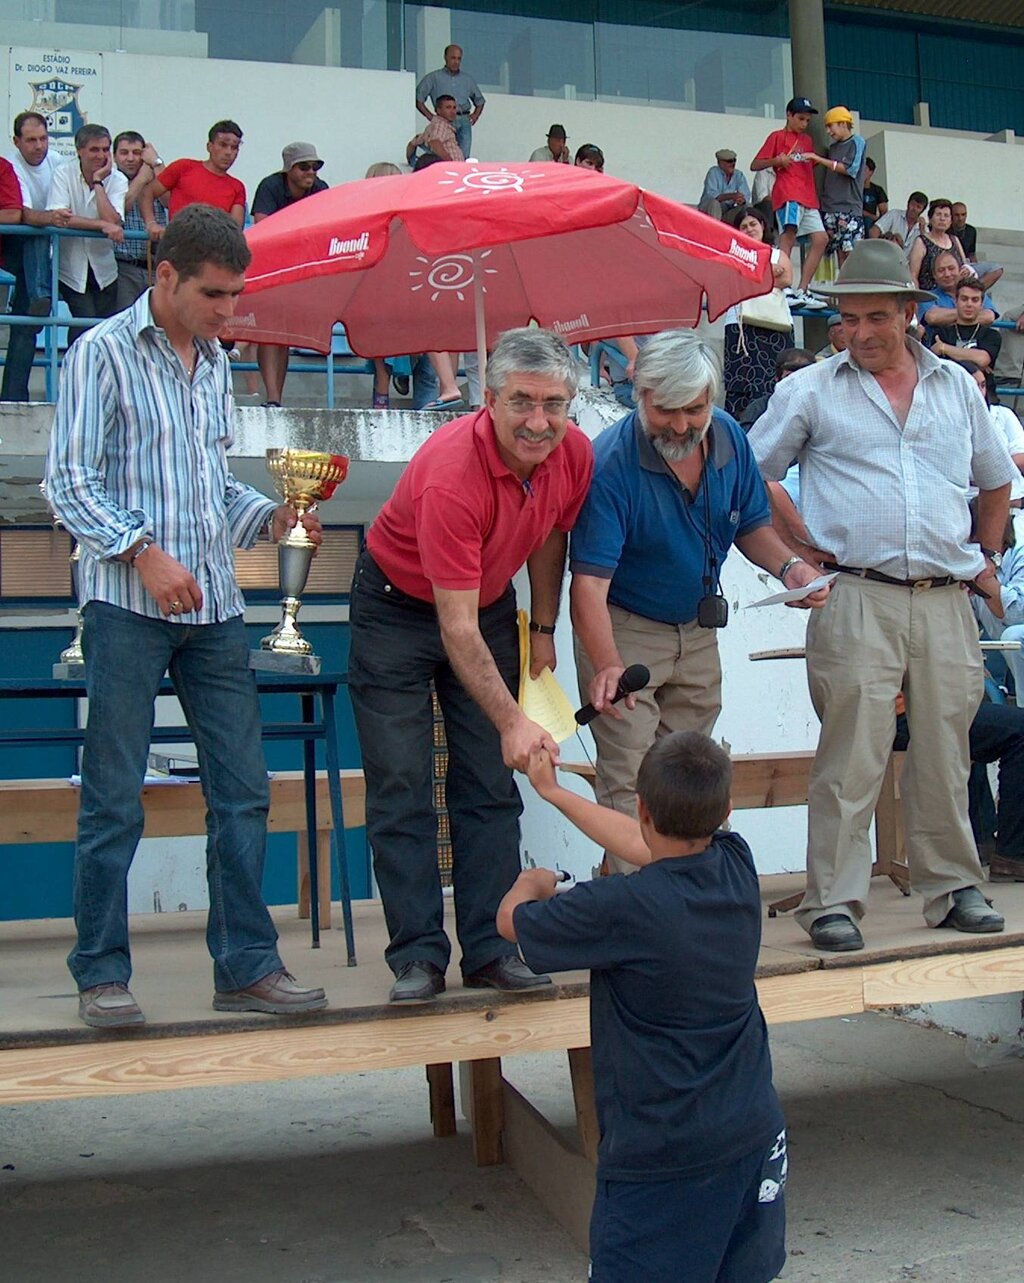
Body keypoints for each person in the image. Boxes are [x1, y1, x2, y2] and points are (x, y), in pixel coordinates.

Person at [42, 204, 328, 1028]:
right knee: (112, 796)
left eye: (237, 296)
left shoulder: (213, 366)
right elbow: (68, 483)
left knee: (243, 790)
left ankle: (244, 965)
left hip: (215, 606)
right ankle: (100, 971)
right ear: (164, 275)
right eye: (216, 295)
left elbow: (211, 487)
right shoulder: (98, 354)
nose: (230, 313)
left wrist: (273, 517)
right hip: (128, 603)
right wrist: (142, 552)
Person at [748, 238, 1015, 952]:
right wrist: (798, 548)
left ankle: (953, 886)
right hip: (856, 595)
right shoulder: (808, 389)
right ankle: (833, 900)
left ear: (907, 312)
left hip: (944, 597)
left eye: (875, 317)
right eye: (847, 319)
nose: (860, 332)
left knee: (945, 752)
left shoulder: (958, 388)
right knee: (851, 755)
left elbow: (996, 480)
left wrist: (985, 556)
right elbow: (749, 474)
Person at [347, 328, 594, 1003]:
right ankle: (418, 955)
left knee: (489, 782)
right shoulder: (452, 471)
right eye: (522, 402)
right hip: (397, 608)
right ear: (488, 399)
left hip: (485, 602)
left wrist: (543, 626)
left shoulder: (573, 452)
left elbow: (550, 532)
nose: (539, 421)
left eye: (554, 404)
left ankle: (490, 947)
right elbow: (452, 628)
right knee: (401, 783)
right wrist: (514, 719)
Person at [500, 733, 787, 1283]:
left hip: (662, 1162)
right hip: (752, 1136)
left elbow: (512, 925)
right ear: (725, 812)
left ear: (642, 805)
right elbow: (642, 843)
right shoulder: (737, 863)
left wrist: (528, 882)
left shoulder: (621, 907)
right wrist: (554, 794)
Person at [569, 331, 828, 875]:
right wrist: (609, 663)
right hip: (624, 627)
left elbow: (753, 524)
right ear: (639, 395)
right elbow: (588, 586)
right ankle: (642, 911)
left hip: (697, 629)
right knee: (629, 776)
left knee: (693, 773)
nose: (683, 425)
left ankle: (691, 898)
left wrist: (791, 567)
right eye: (667, 410)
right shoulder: (611, 464)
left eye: (695, 409)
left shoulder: (730, 435)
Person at [251, 142, 329, 408]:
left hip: (304, 269)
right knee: (270, 331)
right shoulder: (270, 186)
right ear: (288, 169)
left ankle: (275, 398)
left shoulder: (321, 189)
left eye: (315, 166)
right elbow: (263, 229)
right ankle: (273, 397)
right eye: (304, 166)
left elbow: (328, 230)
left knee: (282, 334)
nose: (311, 172)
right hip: (271, 266)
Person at [2, 112, 71, 401]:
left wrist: (50, 218)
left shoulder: (58, 161)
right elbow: (23, 215)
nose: (39, 146)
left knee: (27, 326)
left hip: (56, 254)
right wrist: (49, 218)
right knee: (36, 232)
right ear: (16, 141)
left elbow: (68, 206)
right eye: (31, 140)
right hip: (20, 250)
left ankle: (14, 395)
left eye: (43, 138)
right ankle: (40, 296)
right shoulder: (11, 165)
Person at [47, 124, 127, 346]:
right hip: (71, 268)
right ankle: (72, 373)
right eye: (94, 150)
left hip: (105, 269)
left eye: (105, 149)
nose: (101, 155)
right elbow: (60, 217)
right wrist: (100, 225)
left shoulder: (117, 179)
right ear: (79, 150)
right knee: (85, 324)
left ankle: (94, 378)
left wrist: (99, 182)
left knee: (103, 330)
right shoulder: (63, 173)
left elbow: (113, 221)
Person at [751, 97, 828, 311]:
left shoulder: (808, 142)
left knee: (821, 239)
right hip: (788, 194)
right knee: (788, 236)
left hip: (808, 196)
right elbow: (755, 164)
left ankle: (803, 289)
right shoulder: (776, 136)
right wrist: (777, 161)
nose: (804, 124)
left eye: (807, 120)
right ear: (789, 115)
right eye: (801, 118)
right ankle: (785, 287)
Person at [721, 205, 793, 419]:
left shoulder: (778, 253)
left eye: (753, 224)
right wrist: (768, 272)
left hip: (775, 323)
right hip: (740, 324)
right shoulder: (732, 253)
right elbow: (732, 281)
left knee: (776, 381)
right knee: (740, 384)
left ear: (762, 225)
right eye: (743, 226)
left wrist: (752, 273)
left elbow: (786, 279)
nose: (749, 229)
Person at [140, 120, 246, 233]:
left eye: (234, 147)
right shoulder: (183, 167)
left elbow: (235, 231)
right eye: (223, 145)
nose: (228, 152)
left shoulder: (237, 187)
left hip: (214, 247)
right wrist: (151, 224)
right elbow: (147, 193)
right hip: (178, 244)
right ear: (209, 146)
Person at [112, 130, 167, 311]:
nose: (130, 158)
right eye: (124, 153)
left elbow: (171, 201)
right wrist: (141, 180)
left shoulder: (154, 176)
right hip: (125, 267)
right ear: (114, 156)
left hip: (156, 266)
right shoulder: (109, 180)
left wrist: (157, 163)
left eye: (136, 153)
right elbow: (120, 209)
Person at [416, 45, 484, 159]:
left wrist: (475, 116)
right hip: (443, 122)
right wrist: (430, 116)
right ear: (445, 58)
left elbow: (480, 101)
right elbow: (418, 99)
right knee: (440, 154)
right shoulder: (433, 77)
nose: (456, 61)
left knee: (463, 157)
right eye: (453, 58)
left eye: (459, 58)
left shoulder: (467, 79)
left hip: (464, 121)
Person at [818, 106, 866, 266]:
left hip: (849, 207)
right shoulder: (832, 148)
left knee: (851, 255)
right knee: (837, 255)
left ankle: (853, 289)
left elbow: (850, 169)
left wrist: (818, 159)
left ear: (843, 123)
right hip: (829, 207)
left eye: (830, 126)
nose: (828, 131)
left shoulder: (857, 142)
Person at [916, 249, 998, 340]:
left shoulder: (974, 292)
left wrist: (946, 319)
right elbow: (932, 317)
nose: (947, 274)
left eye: (951, 268)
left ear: (960, 269)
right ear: (934, 275)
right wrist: (970, 314)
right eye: (941, 270)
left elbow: (989, 317)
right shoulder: (927, 297)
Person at [930, 278, 1001, 374]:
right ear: (956, 301)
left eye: (975, 300)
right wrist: (972, 358)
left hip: (980, 387)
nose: (969, 304)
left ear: (981, 304)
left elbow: (982, 359)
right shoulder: (942, 333)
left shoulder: (991, 335)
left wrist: (944, 348)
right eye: (964, 299)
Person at [738, 346, 817, 431]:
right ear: (777, 379)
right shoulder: (759, 408)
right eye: (790, 378)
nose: (798, 383)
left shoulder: (822, 406)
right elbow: (746, 441)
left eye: (804, 377)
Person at [909, 197, 971, 294]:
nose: (942, 219)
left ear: (950, 221)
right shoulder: (921, 241)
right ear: (930, 219)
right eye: (938, 214)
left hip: (956, 293)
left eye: (946, 216)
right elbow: (913, 275)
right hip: (930, 296)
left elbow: (965, 266)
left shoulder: (954, 240)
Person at [951, 200, 1002, 292]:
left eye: (963, 214)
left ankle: (975, 290)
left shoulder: (971, 230)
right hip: (952, 265)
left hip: (967, 264)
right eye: (957, 215)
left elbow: (972, 254)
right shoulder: (947, 229)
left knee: (996, 269)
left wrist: (975, 270)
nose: (960, 218)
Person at [405, 95, 464, 165]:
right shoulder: (440, 125)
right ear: (438, 110)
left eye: (454, 108)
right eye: (448, 107)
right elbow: (434, 142)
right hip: (449, 169)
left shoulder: (434, 125)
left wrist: (411, 161)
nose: (453, 111)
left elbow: (412, 143)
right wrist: (450, 162)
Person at [698, 147, 750, 220]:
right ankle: (714, 229)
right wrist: (732, 196)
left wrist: (741, 200)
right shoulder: (713, 172)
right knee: (715, 204)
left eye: (734, 160)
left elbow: (745, 195)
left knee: (746, 207)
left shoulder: (739, 175)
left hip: (728, 210)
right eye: (729, 161)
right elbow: (713, 195)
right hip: (709, 210)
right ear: (720, 162)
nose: (733, 163)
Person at [870, 190, 927, 256]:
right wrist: (879, 251)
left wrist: (922, 230)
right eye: (912, 204)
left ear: (922, 210)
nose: (914, 209)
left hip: (910, 264)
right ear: (908, 204)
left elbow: (927, 249)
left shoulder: (923, 227)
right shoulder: (894, 214)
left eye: (918, 207)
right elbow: (873, 231)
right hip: (888, 258)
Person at [861, 158, 887, 232]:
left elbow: (884, 213)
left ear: (871, 172)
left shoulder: (877, 190)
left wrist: (871, 216)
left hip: (871, 222)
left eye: (864, 169)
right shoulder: (853, 189)